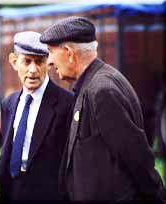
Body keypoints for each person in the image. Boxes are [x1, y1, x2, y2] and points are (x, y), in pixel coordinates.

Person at [40, 16, 166, 201]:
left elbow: (136, 158)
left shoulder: (102, 90)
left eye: (51, 52)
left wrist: (158, 198)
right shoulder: (92, 84)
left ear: (68, 52)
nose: (49, 62)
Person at [0, 31, 74, 202]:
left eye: (39, 62)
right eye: (27, 61)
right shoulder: (8, 104)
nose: (33, 70)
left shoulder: (67, 103)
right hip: (13, 191)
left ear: (48, 62)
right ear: (14, 62)